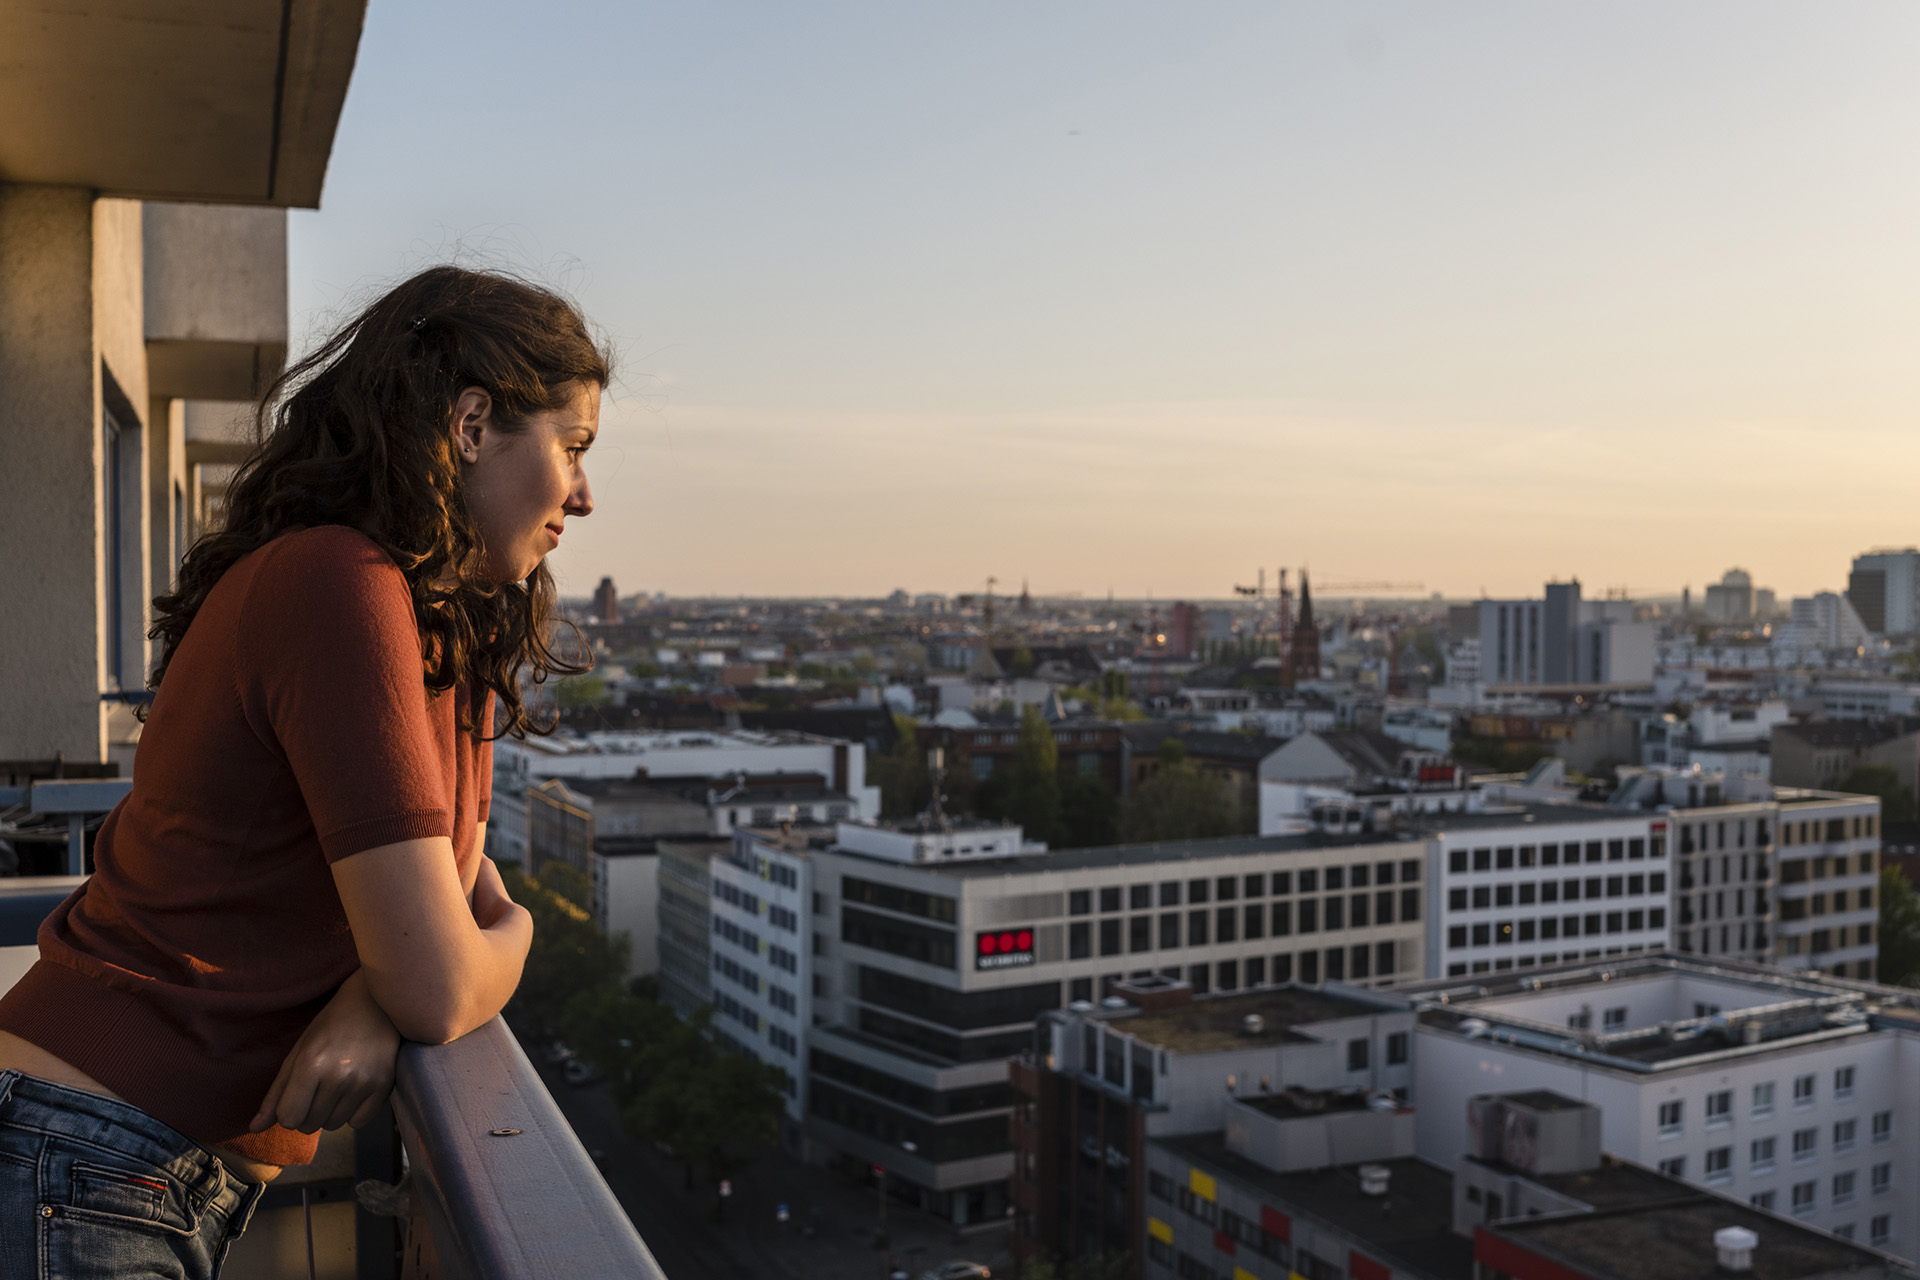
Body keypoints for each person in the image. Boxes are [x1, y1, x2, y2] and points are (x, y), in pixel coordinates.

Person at [0, 265, 611, 1278]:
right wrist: (509, 936)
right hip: (88, 1151)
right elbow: (445, 960)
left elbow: (446, 915)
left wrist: (388, 991)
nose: (585, 494)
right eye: (574, 446)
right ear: (470, 423)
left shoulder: (433, 635)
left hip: (129, 1165)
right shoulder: (338, 584)